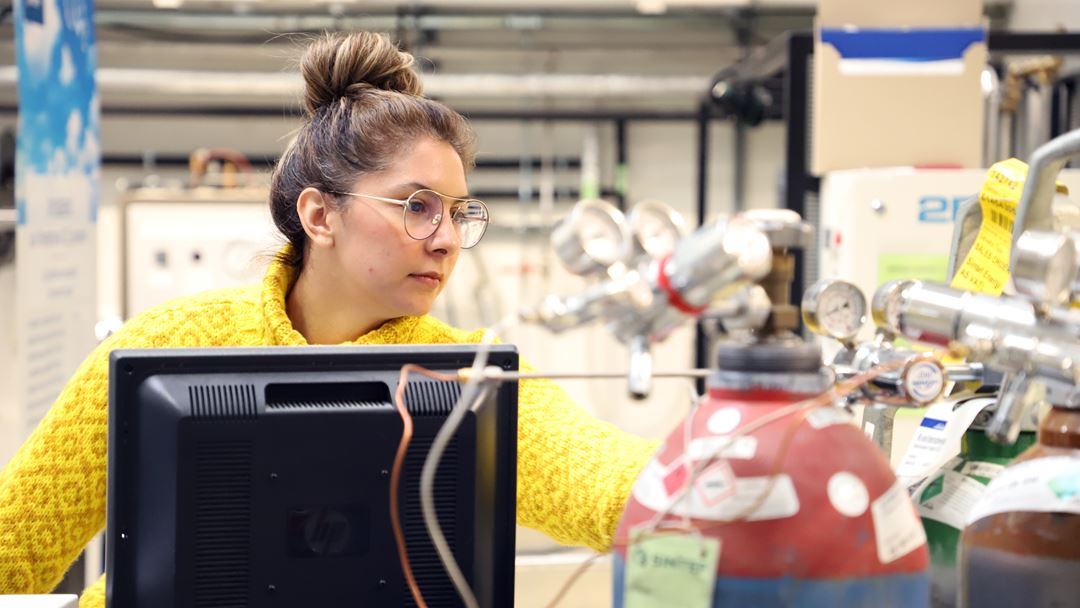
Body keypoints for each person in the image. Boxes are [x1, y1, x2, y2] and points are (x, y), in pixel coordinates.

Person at [0, 31, 659, 606]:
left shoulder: (470, 380)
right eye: (418, 206)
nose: (447, 239)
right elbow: (14, 545)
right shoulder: (168, 345)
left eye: (461, 213)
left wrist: (725, 464)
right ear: (320, 215)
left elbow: (606, 483)